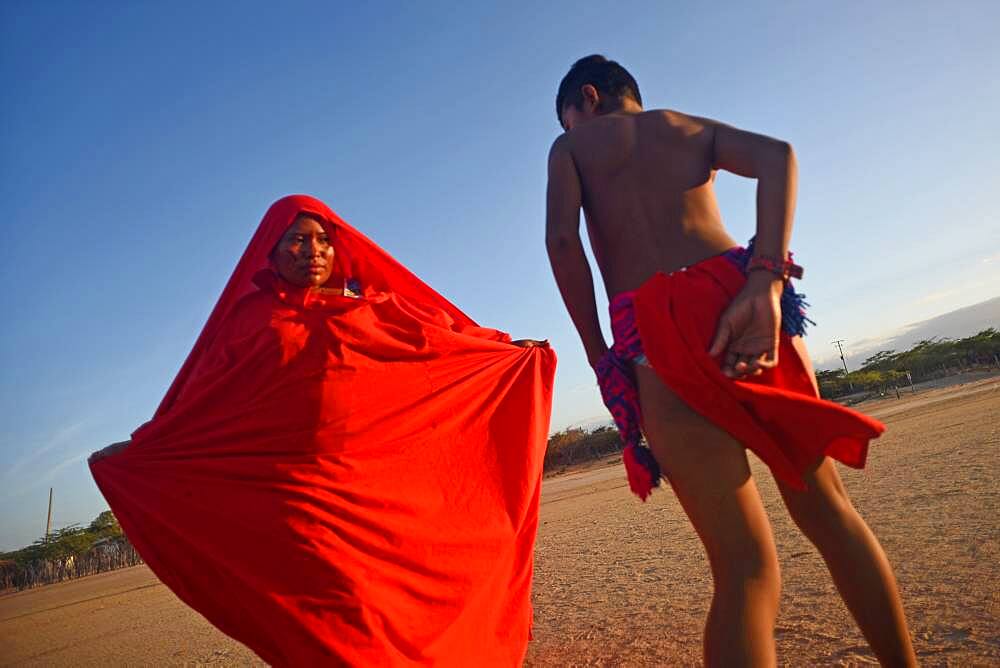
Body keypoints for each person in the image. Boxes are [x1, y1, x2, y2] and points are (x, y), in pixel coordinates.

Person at [545, 55, 916, 666]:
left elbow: (563, 242)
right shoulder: (685, 126)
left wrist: (601, 354)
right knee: (829, 514)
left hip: (657, 326)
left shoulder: (572, 151)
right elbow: (778, 156)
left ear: (587, 98)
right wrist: (767, 280)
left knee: (744, 568)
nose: (568, 134)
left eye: (568, 121)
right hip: (739, 297)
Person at [90, 195, 555, 666]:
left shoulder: (368, 306)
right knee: (342, 620)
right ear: (270, 251)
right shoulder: (250, 321)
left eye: (323, 240)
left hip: (374, 492)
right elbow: (199, 402)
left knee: (391, 605)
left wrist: (504, 349)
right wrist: (141, 449)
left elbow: (437, 336)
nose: (313, 250)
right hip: (302, 503)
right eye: (297, 240)